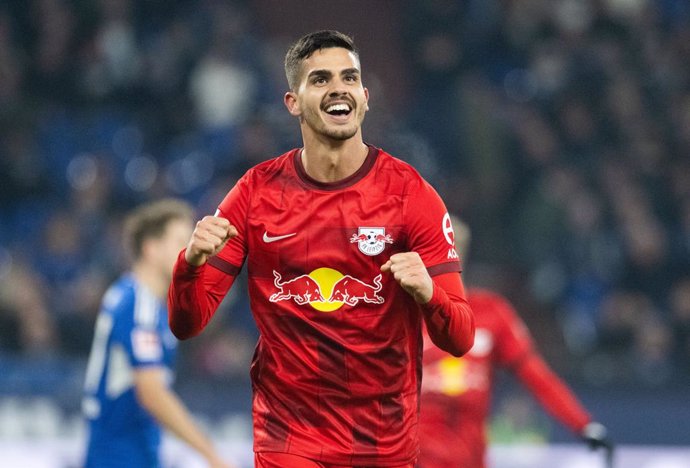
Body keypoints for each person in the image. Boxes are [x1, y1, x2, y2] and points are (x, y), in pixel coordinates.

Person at [167, 30, 475, 467]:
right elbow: (188, 323)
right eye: (320, 79)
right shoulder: (254, 193)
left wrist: (429, 293)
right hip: (288, 439)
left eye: (349, 78)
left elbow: (461, 337)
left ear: (365, 98)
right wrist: (190, 264)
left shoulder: (411, 195)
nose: (338, 88)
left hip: (383, 443)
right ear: (293, 102)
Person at [418, 216, 613, 468]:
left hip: (470, 459)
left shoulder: (491, 312)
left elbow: (537, 376)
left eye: (451, 249)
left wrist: (583, 424)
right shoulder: (401, 315)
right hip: (416, 458)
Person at [82, 199, 233, 468]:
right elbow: (151, 392)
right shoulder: (136, 305)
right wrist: (211, 454)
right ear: (151, 249)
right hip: (118, 457)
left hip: (136, 453)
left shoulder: (152, 305)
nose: (190, 249)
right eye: (180, 241)